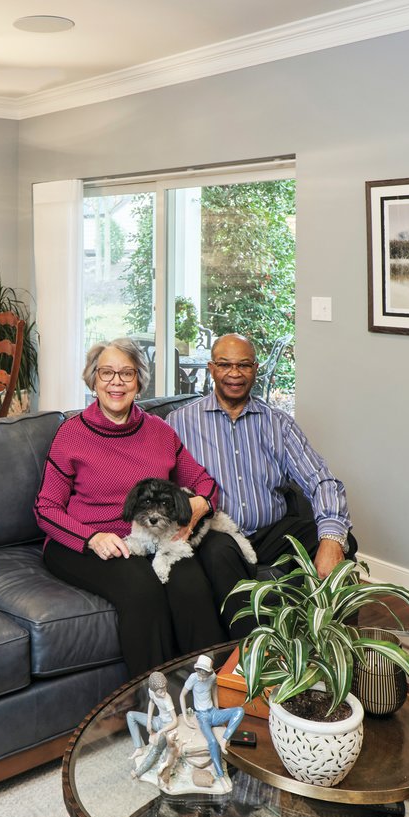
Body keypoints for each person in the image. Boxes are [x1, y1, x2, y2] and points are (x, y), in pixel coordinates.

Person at [35, 338, 226, 677]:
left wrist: (197, 507)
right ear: (93, 380)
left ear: (139, 381)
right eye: (106, 372)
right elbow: (46, 509)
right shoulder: (71, 434)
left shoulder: (160, 432)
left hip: (150, 538)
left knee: (191, 583)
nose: (116, 382)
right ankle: (157, 700)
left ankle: (212, 687)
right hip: (80, 543)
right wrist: (93, 537)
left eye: (126, 373)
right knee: (142, 588)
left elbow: (206, 484)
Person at [168, 333, 355, 636]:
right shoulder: (179, 423)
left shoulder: (277, 423)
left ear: (256, 368)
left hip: (271, 532)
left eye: (244, 365)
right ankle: (249, 656)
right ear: (211, 368)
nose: (234, 374)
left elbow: (321, 479)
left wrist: (332, 539)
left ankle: (331, 644)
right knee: (218, 554)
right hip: (219, 533)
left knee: (339, 538)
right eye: (225, 364)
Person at [179, 653, 243, 781]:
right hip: (202, 716)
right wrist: (185, 718)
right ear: (196, 670)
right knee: (213, 742)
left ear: (209, 672)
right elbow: (182, 695)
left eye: (204, 674)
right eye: (199, 673)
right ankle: (220, 774)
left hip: (213, 711)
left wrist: (218, 709)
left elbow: (214, 690)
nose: (202, 677)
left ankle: (225, 739)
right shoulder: (193, 678)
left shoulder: (213, 676)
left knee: (239, 710)